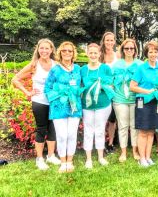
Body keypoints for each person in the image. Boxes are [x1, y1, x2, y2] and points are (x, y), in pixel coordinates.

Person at [12, 38, 60, 170]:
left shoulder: (56, 64)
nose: (44, 51)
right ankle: (39, 159)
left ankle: (51, 156)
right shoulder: (34, 65)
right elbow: (15, 79)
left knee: (53, 128)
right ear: (38, 50)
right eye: (42, 48)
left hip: (54, 101)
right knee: (41, 129)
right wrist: (27, 92)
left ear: (51, 50)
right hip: (39, 101)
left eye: (47, 48)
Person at [45, 41, 82, 173]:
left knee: (72, 134)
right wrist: (57, 96)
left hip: (74, 106)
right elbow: (47, 87)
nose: (67, 53)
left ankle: (70, 161)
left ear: (73, 53)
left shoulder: (77, 69)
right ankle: (63, 162)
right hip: (58, 106)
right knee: (61, 135)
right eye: (64, 50)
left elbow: (81, 85)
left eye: (70, 51)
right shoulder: (55, 69)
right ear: (60, 52)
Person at [130, 41, 158, 167]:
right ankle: (142, 158)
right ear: (146, 53)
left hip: (156, 102)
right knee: (143, 131)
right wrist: (147, 91)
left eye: (155, 52)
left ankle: (148, 157)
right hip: (143, 102)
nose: (153, 54)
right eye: (150, 52)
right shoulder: (141, 68)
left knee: (151, 131)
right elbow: (132, 87)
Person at [81, 43, 114, 168]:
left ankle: (100, 157)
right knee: (88, 130)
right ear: (87, 54)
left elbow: (111, 84)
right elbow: (80, 86)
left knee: (100, 130)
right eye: (91, 53)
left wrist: (101, 85)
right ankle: (88, 159)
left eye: (96, 53)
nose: (93, 55)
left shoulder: (105, 68)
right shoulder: (83, 69)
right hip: (87, 105)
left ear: (99, 54)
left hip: (103, 104)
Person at [112, 39, 142, 162]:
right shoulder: (116, 64)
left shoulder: (140, 64)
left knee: (135, 126)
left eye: (132, 48)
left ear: (135, 50)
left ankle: (135, 150)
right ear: (123, 50)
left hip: (136, 99)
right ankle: (123, 152)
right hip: (120, 99)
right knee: (123, 126)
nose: (129, 50)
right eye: (127, 48)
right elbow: (111, 82)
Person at [99, 32, 119, 154]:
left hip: (114, 91)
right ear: (103, 41)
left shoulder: (118, 56)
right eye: (107, 40)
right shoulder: (99, 55)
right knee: (101, 119)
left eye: (112, 40)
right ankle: (100, 143)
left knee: (112, 119)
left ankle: (110, 143)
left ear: (114, 42)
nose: (109, 43)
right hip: (101, 91)